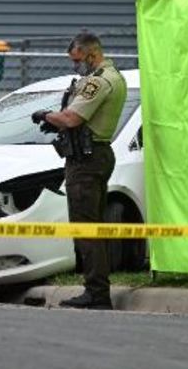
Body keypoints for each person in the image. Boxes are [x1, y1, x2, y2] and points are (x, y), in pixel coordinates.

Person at [31, 33, 126, 309]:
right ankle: (97, 290)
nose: (75, 66)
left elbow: (72, 117)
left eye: (77, 60)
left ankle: (96, 293)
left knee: (86, 228)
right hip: (94, 154)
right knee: (93, 226)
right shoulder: (112, 76)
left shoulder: (97, 81)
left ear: (91, 54)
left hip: (86, 160)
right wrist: (58, 123)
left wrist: (45, 115)